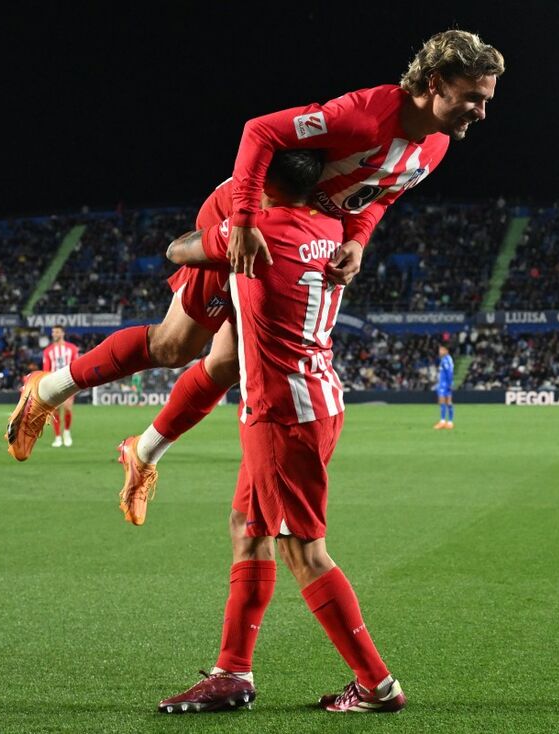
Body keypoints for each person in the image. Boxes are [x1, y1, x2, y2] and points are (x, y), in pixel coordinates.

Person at [7, 30, 504, 525]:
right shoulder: (364, 114)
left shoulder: (435, 146)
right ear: (436, 82)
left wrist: (357, 240)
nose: (481, 112)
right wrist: (243, 222)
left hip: (291, 235)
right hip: (247, 217)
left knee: (226, 366)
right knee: (174, 348)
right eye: (474, 98)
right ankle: (47, 392)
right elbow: (259, 131)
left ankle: (142, 454)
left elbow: (381, 197)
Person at [156, 149, 405, 715]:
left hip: (282, 412)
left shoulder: (258, 230)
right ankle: (232, 672)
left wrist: (233, 218)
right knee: (248, 527)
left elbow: (177, 249)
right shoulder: (332, 225)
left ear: (262, 186)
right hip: (315, 395)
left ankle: (377, 685)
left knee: (303, 550)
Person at [42, 326, 78, 447]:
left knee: (68, 407)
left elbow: (75, 364)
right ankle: (58, 437)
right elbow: (46, 369)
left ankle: (66, 432)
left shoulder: (72, 348)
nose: (54, 334)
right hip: (54, 382)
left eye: (57, 332)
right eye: (53, 332)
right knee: (55, 411)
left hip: (68, 381)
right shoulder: (48, 351)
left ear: (62, 333)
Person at [434, 343, 455, 429]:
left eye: (442, 349)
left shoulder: (445, 360)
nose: (440, 351)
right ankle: (450, 422)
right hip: (447, 383)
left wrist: (449, 384)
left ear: (446, 350)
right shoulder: (449, 359)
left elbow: (449, 373)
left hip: (444, 384)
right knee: (448, 402)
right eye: (439, 349)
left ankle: (443, 421)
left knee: (443, 402)